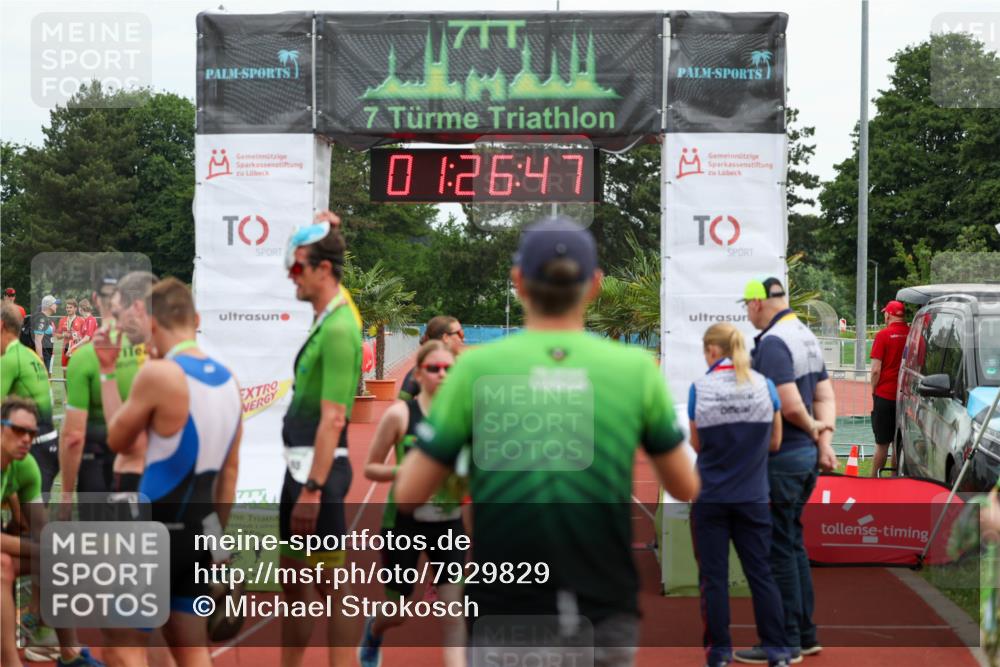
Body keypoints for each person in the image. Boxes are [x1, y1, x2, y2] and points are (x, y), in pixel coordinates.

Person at [395, 216, 700, 667]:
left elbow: (408, 494)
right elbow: (685, 486)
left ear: (518, 281)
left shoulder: (475, 371)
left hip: (505, 603)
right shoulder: (635, 370)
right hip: (604, 598)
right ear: (594, 285)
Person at [102, 277, 242, 667]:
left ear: (151, 322)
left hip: (152, 530)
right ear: (195, 318)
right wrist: (214, 535)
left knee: (121, 644)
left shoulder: (160, 374)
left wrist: (107, 372)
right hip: (200, 531)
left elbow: (117, 440)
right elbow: (230, 474)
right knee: (191, 648)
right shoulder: (230, 382)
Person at [735, 277, 837, 665]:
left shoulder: (775, 343)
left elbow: (791, 403)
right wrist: (823, 441)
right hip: (805, 458)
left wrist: (811, 430)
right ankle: (805, 634)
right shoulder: (805, 336)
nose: (746, 312)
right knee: (792, 546)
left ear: (760, 303)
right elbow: (824, 394)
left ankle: (785, 640)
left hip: (781, 459)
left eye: (747, 304)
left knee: (778, 549)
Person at [280, 210, 363, 667]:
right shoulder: (330, 312)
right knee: (294, 578)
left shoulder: (338, 327)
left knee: (333, 587)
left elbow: (333, 419)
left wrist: (313, 489)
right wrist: (329, 228)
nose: (291, 277)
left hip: (319, 473)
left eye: (297, 268)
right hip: (300, 468)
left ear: (323, 271)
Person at [688, 323, 790, 667]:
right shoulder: (765, 386)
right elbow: (775, 443)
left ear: (713, 351)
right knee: (761, 573)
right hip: (753, 496)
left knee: (713, 579)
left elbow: (696, 443)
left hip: (711, 496)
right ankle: (777, 649)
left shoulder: (700, 388)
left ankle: (718, 653)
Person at [360, 340, 466, 667]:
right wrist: (403, 472)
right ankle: (374, 630)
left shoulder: (463, 418)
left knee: (453, 612)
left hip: (448, 522)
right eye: (433, 368)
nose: (442, 374)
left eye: (449, 369)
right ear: (418, 374)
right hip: (403, 522)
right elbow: (370, 467)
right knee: (399, 611)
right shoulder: (399, 415)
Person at [1, 396, 105, 667]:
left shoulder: (25, 466)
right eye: (18, 430)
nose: (27, 439)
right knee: (2, 566)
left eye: (32, 433)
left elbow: (41, 528)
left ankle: (67, 652)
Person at [1, 303, 59, 497]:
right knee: (24, 520)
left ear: (1, 325)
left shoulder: (10, 359)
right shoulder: (30, 355)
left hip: (34, 447)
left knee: (32, 524)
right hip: (46, 443)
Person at [870, 300, 910, 477]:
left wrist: (873, 389)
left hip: (885, 395)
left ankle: (873, 480)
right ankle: (895, 478)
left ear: (888, 314)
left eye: (885, 313)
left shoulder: (883, 335)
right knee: (897, 442)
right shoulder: (913, 334)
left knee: (881, 443)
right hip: (906, 396)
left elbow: (875, 369)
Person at [398, 316, 464, 400]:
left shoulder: (420, 371)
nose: (463, 338)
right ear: (446, 338)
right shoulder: (464, 369)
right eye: (460, 333)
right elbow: (401, 404)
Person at [55, 298, 85, 370]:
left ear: (75, 308)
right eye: (67, 308)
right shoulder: (62, 320)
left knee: (76, 371)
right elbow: (57, 336)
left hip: (76, 349)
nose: (68, 309)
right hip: (65, 349)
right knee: (65, 371)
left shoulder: (81, 320)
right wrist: (63, 335)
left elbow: (86, 337)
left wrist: (78, 337)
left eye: (70, 307)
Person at [32, 296, 57, 372]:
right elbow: (37, 340)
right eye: (55, 304)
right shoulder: (41, 319)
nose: (57, 306)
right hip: (43, 357)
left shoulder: (45, 318)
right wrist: (40, 359)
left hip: (47, 355)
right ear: (49, 306)